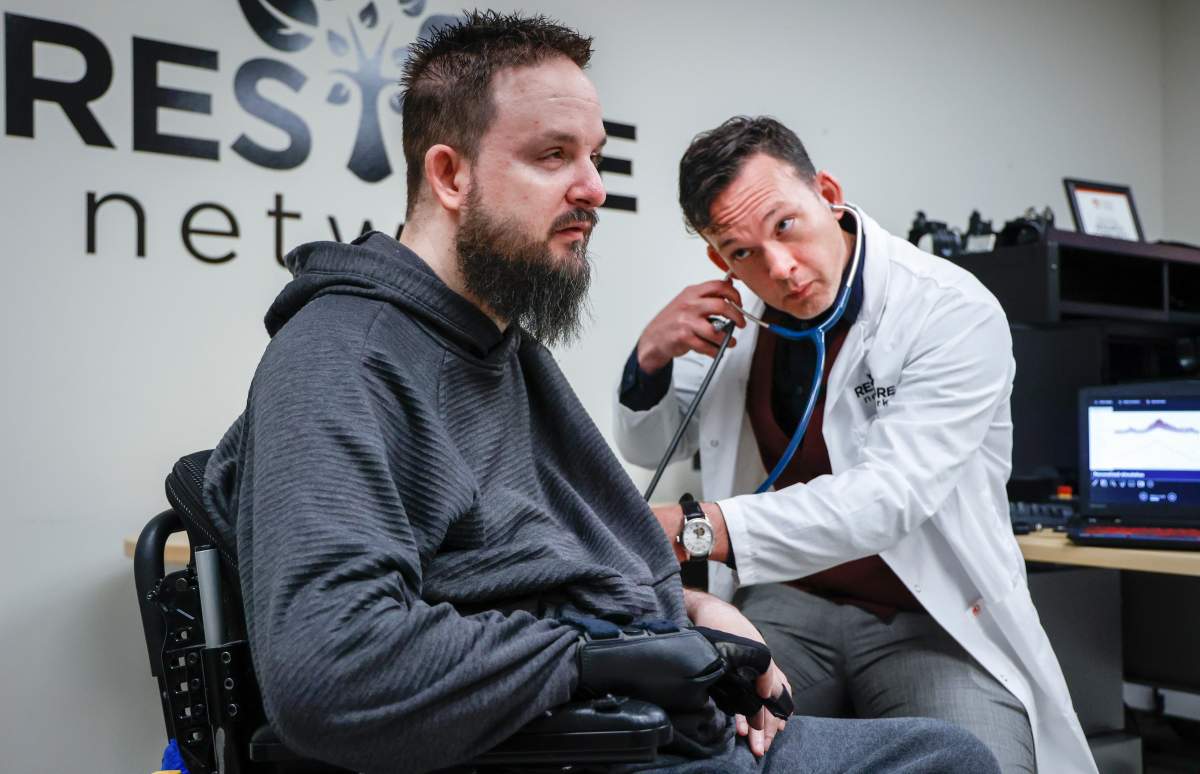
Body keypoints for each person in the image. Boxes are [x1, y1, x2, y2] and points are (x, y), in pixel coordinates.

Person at [201, 12, 998, 774]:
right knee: (947, 760)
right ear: (449, 174)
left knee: (954, 750)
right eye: (553, 156)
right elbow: (330, 672)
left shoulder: (494, 345)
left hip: (671, 702)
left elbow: (554, 553)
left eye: (595, 156)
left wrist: (691, 613)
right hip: (583, 741)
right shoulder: (346, 358)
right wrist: (605, 659)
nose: (593, 187)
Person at [614, 116, 1095, 773]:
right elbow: (649, 445)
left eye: (785, 225)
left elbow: (887, 499)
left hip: (929, 618)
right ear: (718, 259)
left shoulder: (947, 309)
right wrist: (649, 357)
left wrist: (697, 529)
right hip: (784, 606)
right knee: (687, 747)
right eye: (741, 251)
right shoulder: (737, 327)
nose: (779, 268)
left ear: (828, 192)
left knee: (980, 761)